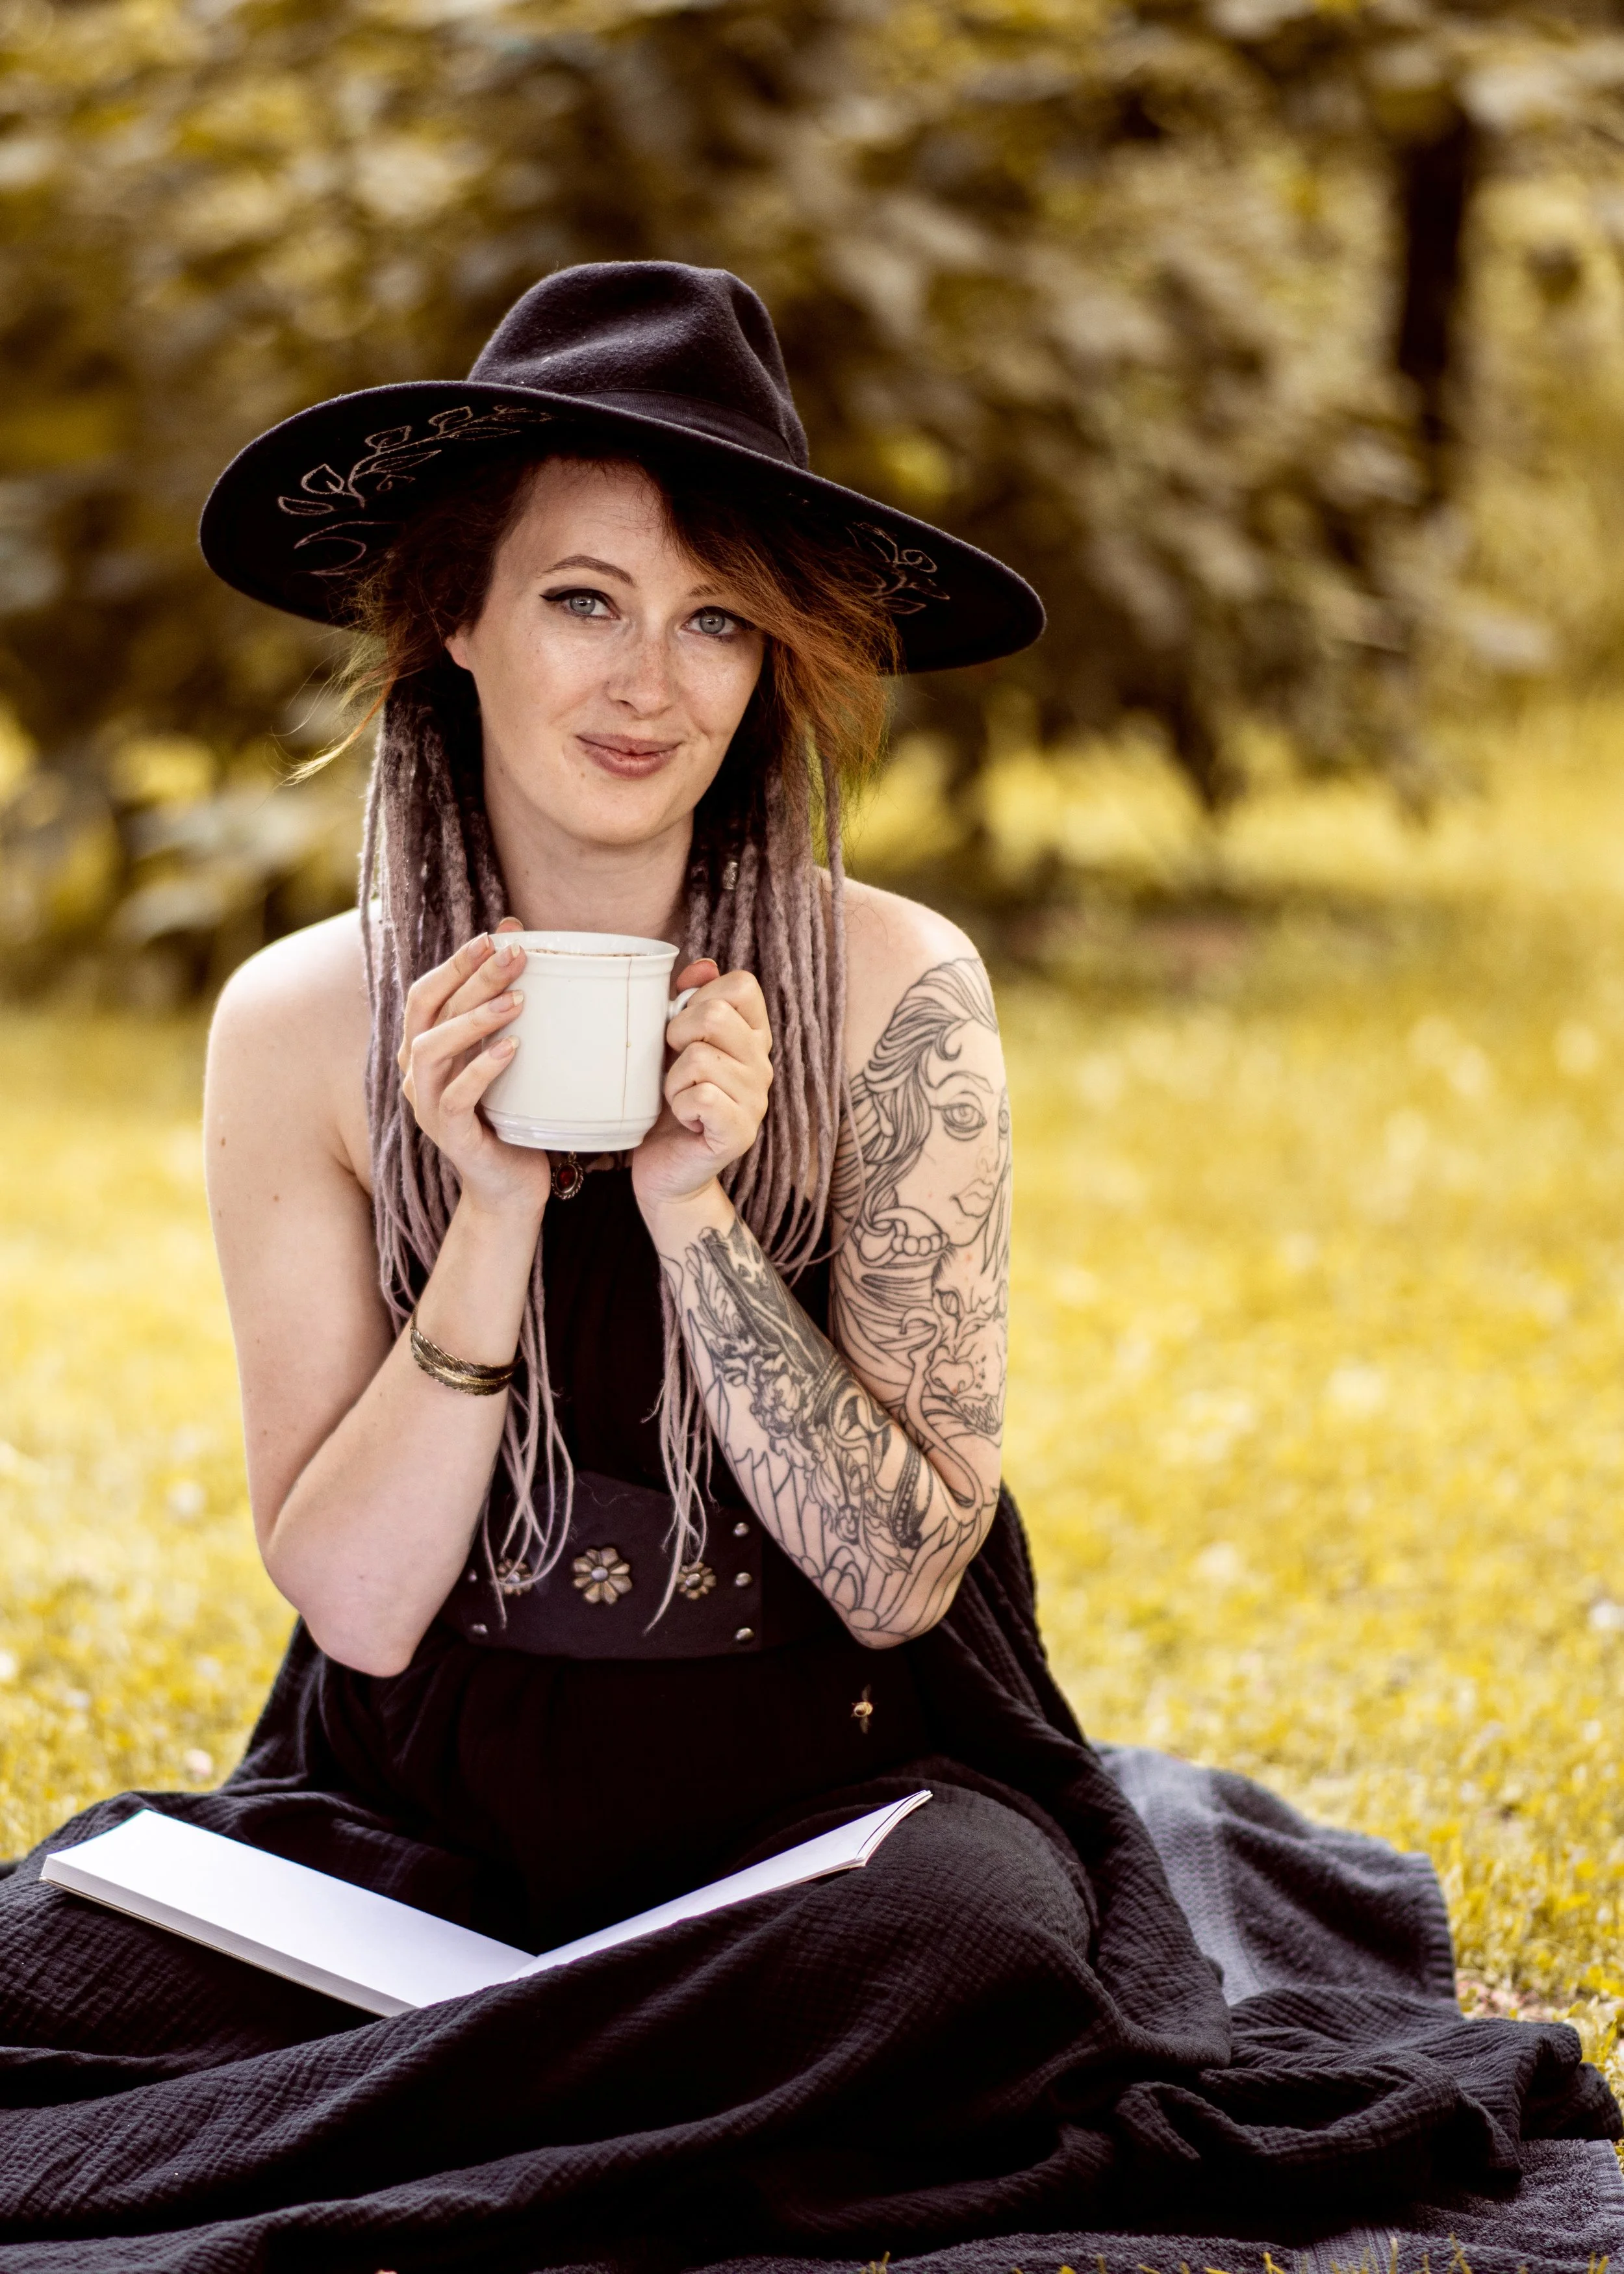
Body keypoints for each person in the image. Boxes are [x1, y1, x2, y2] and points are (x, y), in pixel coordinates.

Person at [0, 262, 1612, 2274]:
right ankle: (621, 2091)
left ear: (774, 666)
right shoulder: (297, 1020)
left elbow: (898, 1574)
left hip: (814, 1799)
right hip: (432, 1813)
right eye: (584, 598)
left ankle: (452, 2098)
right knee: (55, 1948)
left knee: (957, 1952)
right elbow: (356, 1599)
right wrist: (488, 1205)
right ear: (457, 617)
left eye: (717, 621)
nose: (647, 683)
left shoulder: (893, 991)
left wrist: (696, 1203)